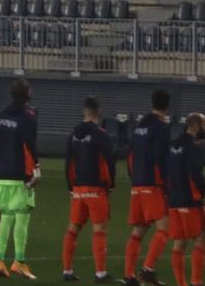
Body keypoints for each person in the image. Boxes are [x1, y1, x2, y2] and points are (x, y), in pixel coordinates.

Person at [0, 79, 39, 280]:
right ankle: (19, 262)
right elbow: (29, 147)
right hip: (19, 174)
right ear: (27, 95)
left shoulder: (0, 115)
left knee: (6, 217)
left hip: (2, 174)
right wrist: (34, 171)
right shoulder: (28, 117)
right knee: (22, 217)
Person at [63, 96, 117, 283]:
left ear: (84, 111)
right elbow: (109, 162)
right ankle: (100, 273)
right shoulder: (102, 135)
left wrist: (71, 188)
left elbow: (68, 163)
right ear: (98, 111)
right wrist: (111, 183)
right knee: (99, 229)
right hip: (96, 188)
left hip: (78, 188)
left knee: (73, 228)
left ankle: (67, 270)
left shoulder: (73, 134)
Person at [124, 90, 172, 286]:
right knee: (164, 229)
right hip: (153, 185)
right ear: (167, 105)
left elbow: (130, 155)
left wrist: (134, 179)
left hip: (137, 184)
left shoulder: (139, 126)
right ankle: (148, 269)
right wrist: (168, 184)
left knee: (139, 229)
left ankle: (129, 275)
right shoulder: (161, 127)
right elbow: (162, 157)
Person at [165, 113, 205, 286]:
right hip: (191, 201)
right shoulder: (194, 146)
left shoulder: (172, 145)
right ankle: (196, 282)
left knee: (179, 244)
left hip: (174, 201)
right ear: (195, 125)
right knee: (202, 240)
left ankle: (181, 283)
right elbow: (196, 175)